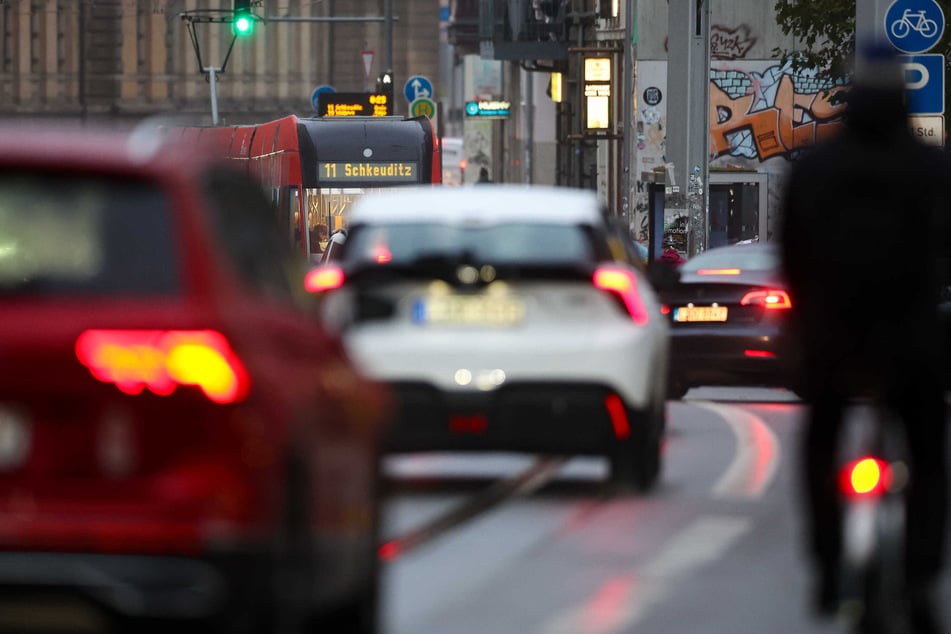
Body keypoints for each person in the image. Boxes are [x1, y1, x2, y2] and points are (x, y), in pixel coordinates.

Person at [780, 41, 950, 632]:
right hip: (913, 345)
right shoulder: (932, 169)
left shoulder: (815, 169)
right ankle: (923, 576)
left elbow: (792, 260)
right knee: (929, 456)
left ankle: (829, 566)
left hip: (834, 343)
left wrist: (802, 337)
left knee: (819, 445)